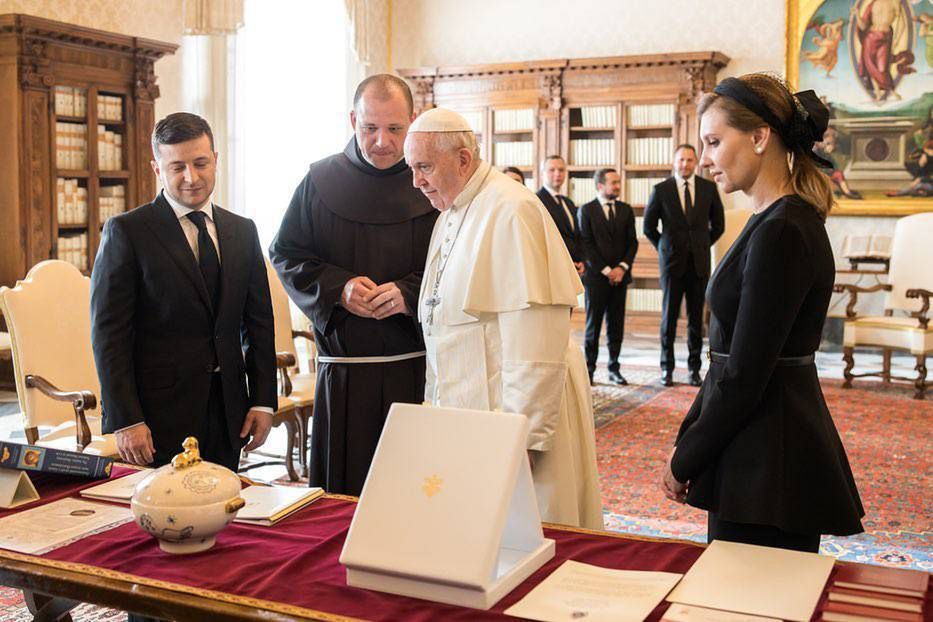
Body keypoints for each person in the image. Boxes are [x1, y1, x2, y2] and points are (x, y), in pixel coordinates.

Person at [660, 74, 864, 552]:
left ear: (758, 137)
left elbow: (747, 374)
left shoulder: (783, 230)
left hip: (770, 461)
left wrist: (685, 458)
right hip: (754, 446)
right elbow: (727, 357)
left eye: (713, 142)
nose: (705, 158)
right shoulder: (771, 220)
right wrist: (689, 435)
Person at [407, 108, 603, 530]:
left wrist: (523, 439)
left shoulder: (512, 209)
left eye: (424, 167)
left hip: (511, 417)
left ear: (462, 159)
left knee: (528, 531)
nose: (416, 181)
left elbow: (535, 334)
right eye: (412, 168)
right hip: (469, 408)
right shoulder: (451, 213)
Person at [269, 74, 437, 496]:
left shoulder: (431, 183)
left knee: (412, 494)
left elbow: (456, 261)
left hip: (414, 369)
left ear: (412, 122)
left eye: (395, 129)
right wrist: (338, 289)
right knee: (343, 501)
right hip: (345, 375)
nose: (381, 141)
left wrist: (408, 294)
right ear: (352, 120)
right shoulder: (319, 180)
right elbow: (287, 253)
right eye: (370, 128)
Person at [90, 112, 276, 474]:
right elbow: (109, 335)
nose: (191, 177)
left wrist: (263, 400)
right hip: (158, 417)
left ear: (215, 160)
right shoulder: (127, 232)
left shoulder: (243, 230)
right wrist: (126, 419)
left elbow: (259, 324)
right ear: (157, 169)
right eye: (177, 167)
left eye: (200, 163)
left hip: (229, 411)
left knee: (224, 514)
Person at [644, 144, 725, 387]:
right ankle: (666, 369)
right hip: (671, 264)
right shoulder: (661, 190)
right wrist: (664, 247)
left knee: (695, 320)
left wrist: (700, 245)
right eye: (681, 160)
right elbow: (648, 227)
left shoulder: (709, 189)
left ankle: (694, 370)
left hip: (698, 264)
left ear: (695, 163)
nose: (685, 164)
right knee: (668, 318)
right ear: (674, 162)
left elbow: (718, 226)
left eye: (690, 160)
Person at [577, 168, 637, 386]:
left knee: (616, 325)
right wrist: (606, 270)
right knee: (593, 326)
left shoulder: (626, 210)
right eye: (613, 182)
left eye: (619, 182)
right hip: (596, 279)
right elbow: (586, 244)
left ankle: (614, 368)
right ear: (600, 186)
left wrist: (621, 268)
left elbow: (633, 242)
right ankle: (589, 370)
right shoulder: (586, 210)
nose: (618, 186)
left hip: (620, 279)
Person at [536, 155, 585, 276]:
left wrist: (581, 260)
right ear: (542, 174)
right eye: (552, 170)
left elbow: (576, 235)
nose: (557, 174)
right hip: (552, 268)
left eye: (561, 170)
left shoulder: (568, 202)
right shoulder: (536, 200)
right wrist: (566, 263)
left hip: (574, 267)